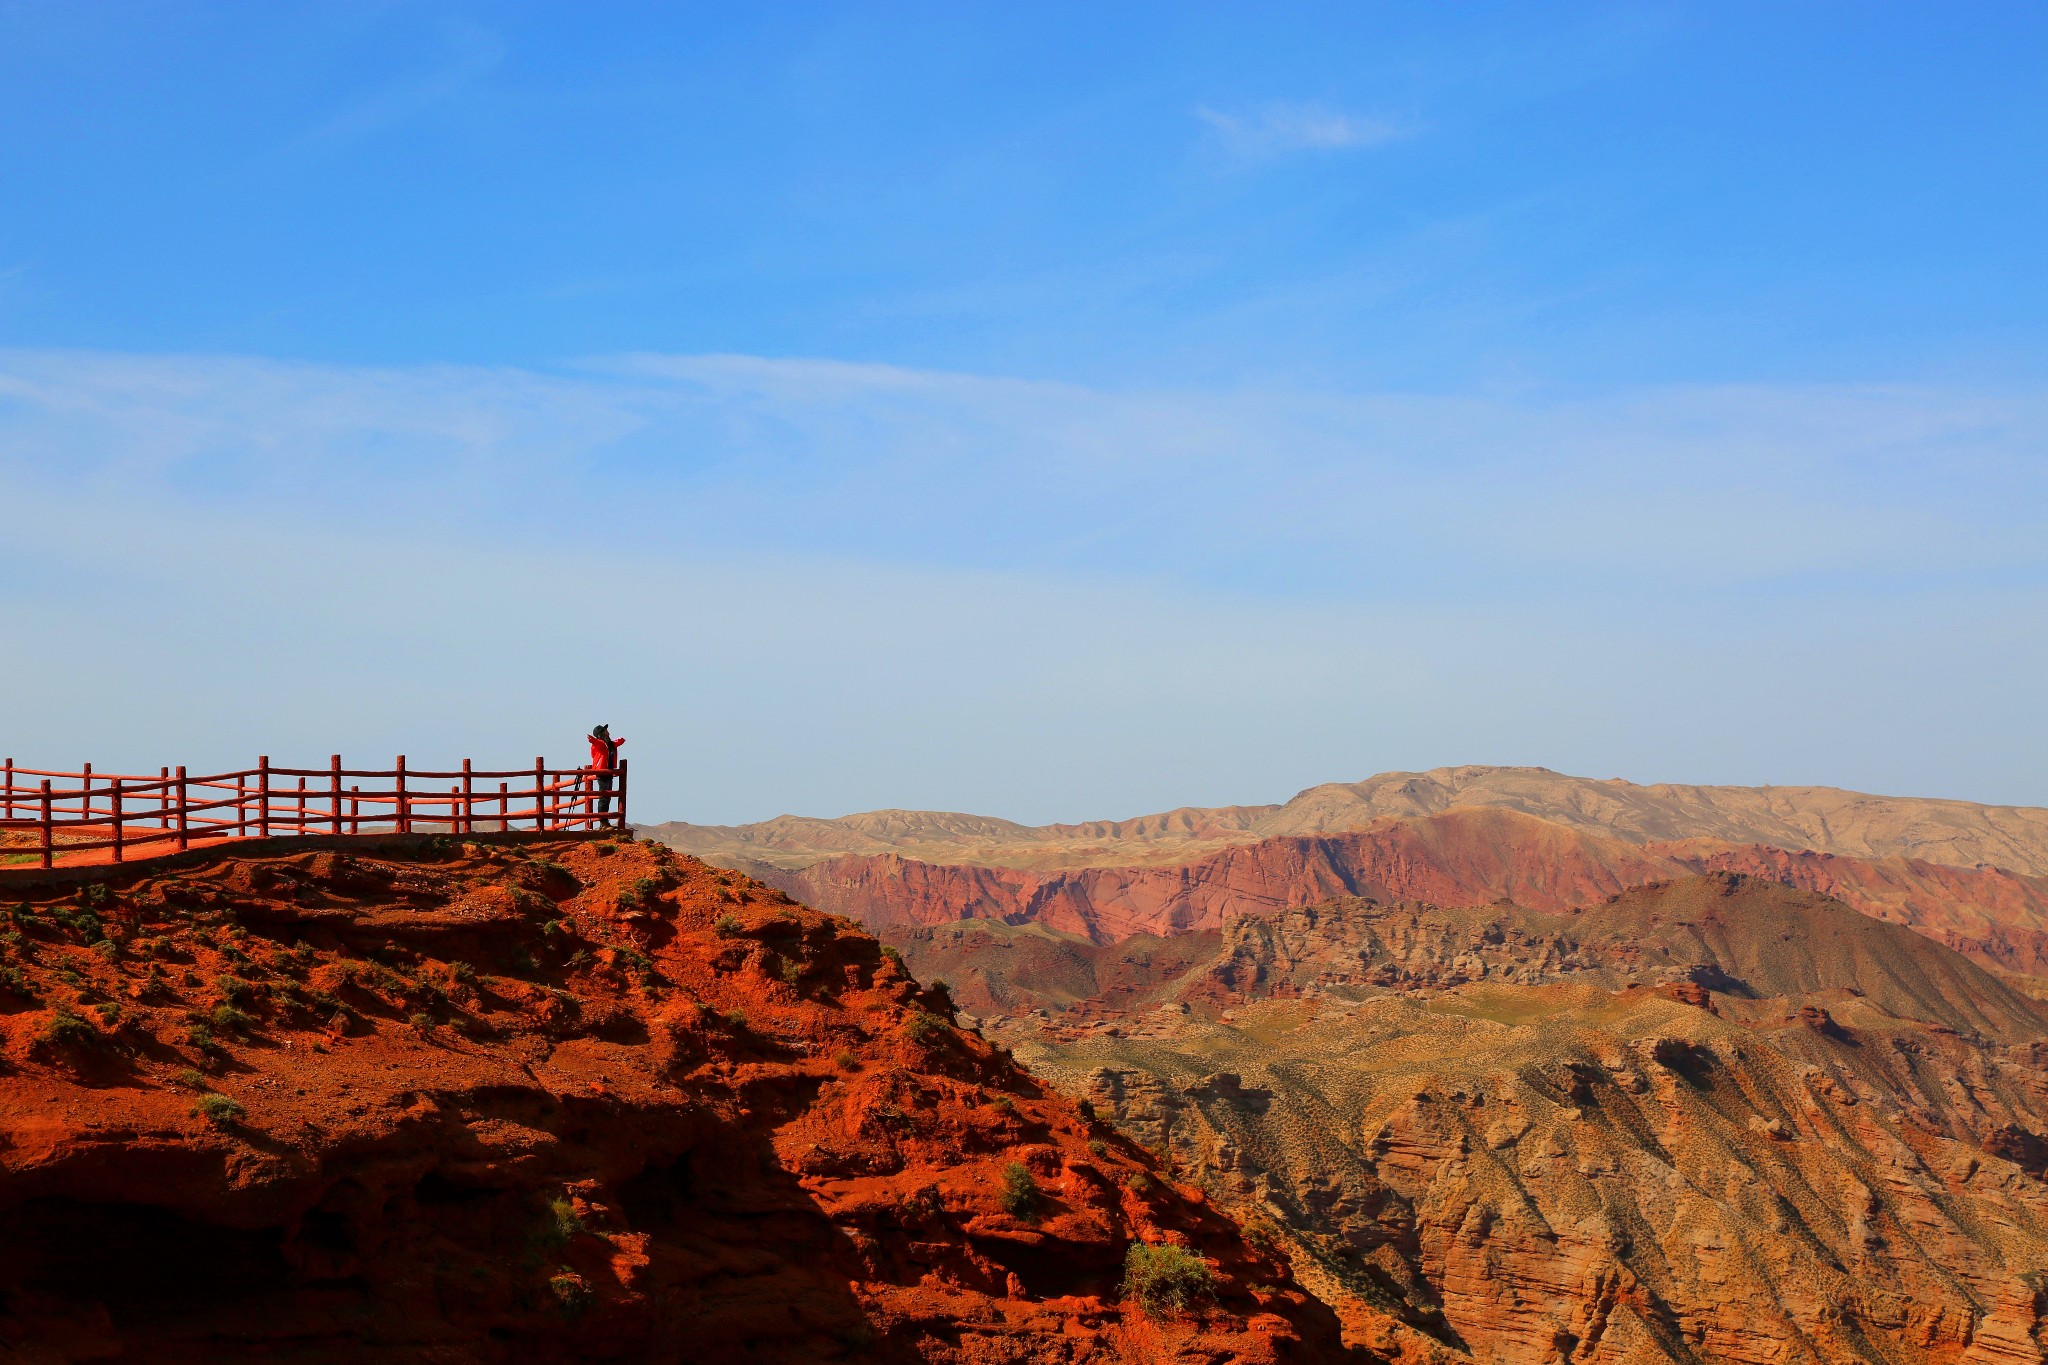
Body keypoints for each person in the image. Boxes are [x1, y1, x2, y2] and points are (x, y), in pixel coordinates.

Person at [588, 724, 625, 819]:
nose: (608, 732)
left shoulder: (610, 744)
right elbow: (595, 743)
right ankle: (603, 820)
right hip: (602, 772)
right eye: (605, 731)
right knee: (604, 796)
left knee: (607, 796)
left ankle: (604, 820)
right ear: (601, 734)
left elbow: (620, 741)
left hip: (608, 772)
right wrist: (592, 740)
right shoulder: (600, 744)